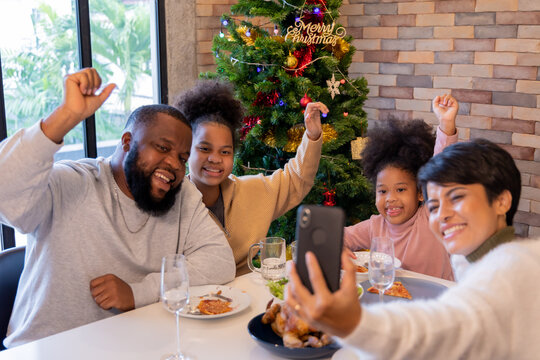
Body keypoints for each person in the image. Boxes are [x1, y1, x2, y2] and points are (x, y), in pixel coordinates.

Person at [0, 68, 235, 348]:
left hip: (132, 347)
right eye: (162, 147)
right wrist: (65, 117)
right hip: (45, 351)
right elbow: (7, 199)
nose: (174, 164)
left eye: (182, 157)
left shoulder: (182, 194)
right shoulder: (71, 182)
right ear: (127, 142)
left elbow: (219, 262)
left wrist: (137, 293)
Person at [285, 139, 540, 359]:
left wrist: (353, 323)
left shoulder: (512, 266)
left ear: (501, 201)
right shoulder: (470, 261)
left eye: (457, 197)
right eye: (435, 205)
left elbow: (443, 329)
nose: (443, 215)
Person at [173, 80, 328, 275]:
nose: (215, 159)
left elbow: (296, 179)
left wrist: (312, 135)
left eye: (225, 152)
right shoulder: (172, 205)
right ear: (187, 150)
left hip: (250, 297)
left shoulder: (253, 190)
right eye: (204, 148)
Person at [343, 95, 459, 280]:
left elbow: (441, 173)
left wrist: (446, 124)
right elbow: (338, 237)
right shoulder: (375, 226)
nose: (390, 198)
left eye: (401, 189)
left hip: (438, 303)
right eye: (382, 191)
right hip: (393, 302)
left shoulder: (430, 217)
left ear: (421, 192)